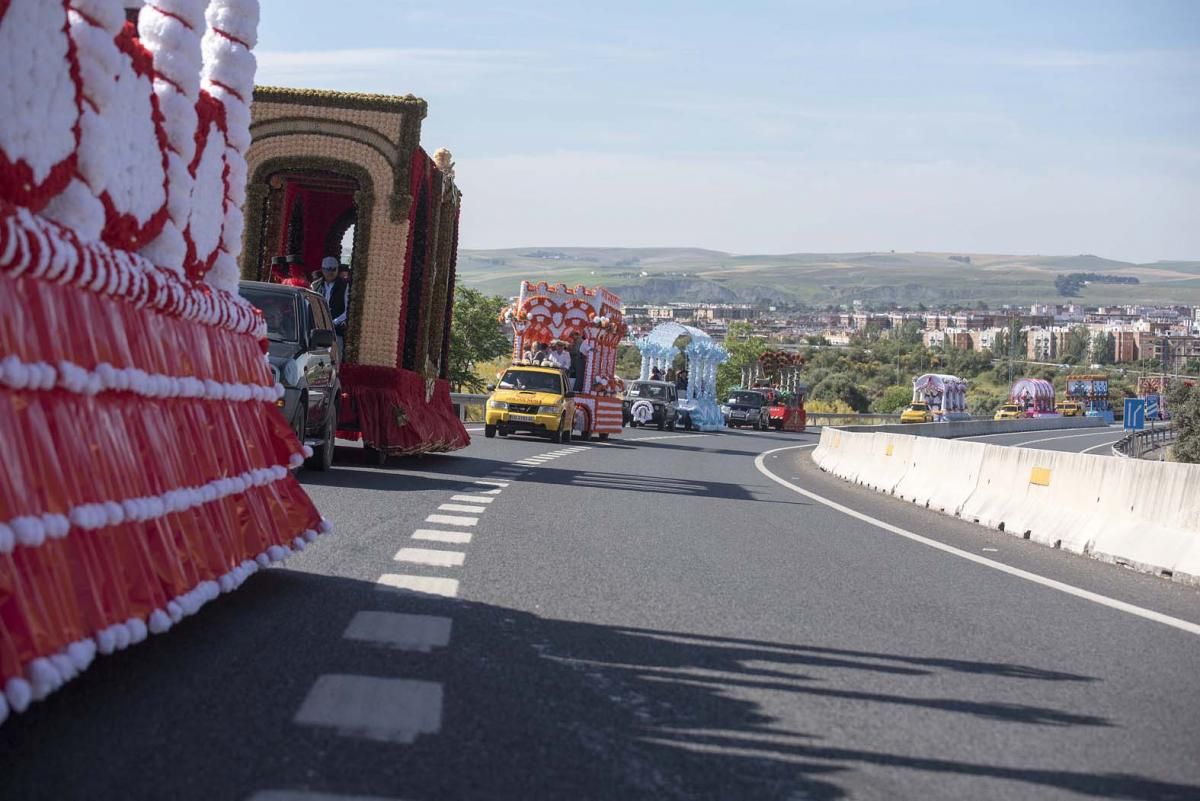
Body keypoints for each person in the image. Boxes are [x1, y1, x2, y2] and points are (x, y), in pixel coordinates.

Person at [311, 256, 350, 355]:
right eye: (327, 269)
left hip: (336, 332)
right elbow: (310, 307)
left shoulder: (344, 285)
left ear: (337, 269)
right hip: (317, 331)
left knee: (335, 360)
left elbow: (347, 310)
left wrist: (333, 322)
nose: (330, 272)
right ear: (323, 270)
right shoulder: (315, 285)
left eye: (333, 269)